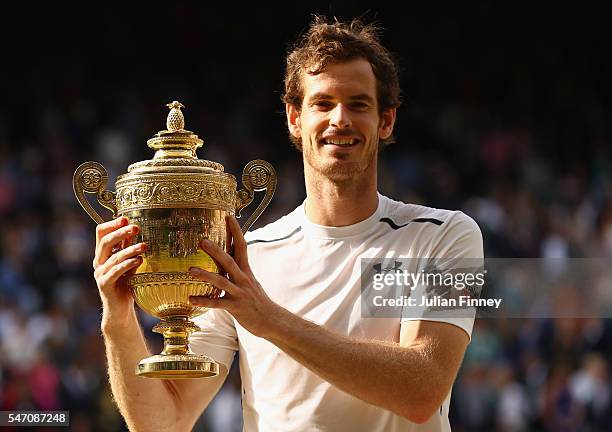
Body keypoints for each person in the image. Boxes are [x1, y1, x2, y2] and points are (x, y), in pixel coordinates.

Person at [93, 16, 483, 431]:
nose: (340, 120)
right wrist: (117, 319)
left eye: (358, 104)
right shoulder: (245, 258)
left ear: (386, 121)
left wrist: (269, 320)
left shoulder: (443, 236)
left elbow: (421, 390)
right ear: (295, 117)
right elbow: (163, 423)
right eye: (323, 103)